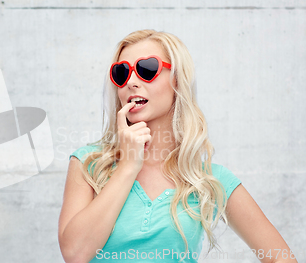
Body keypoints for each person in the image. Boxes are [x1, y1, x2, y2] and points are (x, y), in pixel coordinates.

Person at [57, 29, 297, 263]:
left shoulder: (208, 180)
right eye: (121, 73)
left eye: (146, 69)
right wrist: (128, 166)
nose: (131, 82)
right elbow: (75, 254)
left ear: (178, 81)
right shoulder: (88, 163)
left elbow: (281, 257)